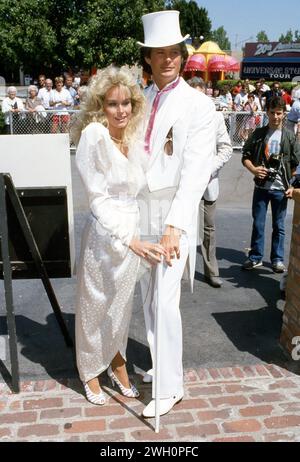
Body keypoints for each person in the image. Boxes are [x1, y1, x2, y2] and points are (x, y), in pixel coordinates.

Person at [72, 66, 166, 406]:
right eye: (112, 104)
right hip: (105, 235)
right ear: (101, 106)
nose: (121, 110)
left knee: (121, 307)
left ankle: (115, 359)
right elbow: (96, 199)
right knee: (94, 306)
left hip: (133, 231)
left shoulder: (133, 135)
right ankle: (89, 369)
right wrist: (130, 240)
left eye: (126, 102)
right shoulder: (94, 135)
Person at [137, 10, 215, 417]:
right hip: (142, 210)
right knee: (149, 297)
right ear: (148, 58)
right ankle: (159, 363)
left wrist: (174, 226)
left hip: (173, 214)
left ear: (182, 56)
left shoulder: (197, 104)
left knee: (166, 299)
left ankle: (171, 387)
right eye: (159, 52)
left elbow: (196, 171)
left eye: (174, 52)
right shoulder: (142, 98)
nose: (168, 59)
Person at [242, 96, 300, 272]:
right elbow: (246, 156)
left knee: (279, 225)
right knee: (258, 223)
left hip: (280, 189)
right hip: (261, 187)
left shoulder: (289, 137)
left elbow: (295, 164)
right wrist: (254, 170)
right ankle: (255, 257)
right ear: (267, 112)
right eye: (272, 113)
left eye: (279, 113)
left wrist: (291, 185)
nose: (275, 116)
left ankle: (277, 259)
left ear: (284, 114)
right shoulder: (259, 134)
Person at [187, 79, 233, 288]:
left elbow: (226, 148)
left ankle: (211, 271)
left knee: (208, 229)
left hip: (207, 184)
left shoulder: (215, 118)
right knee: (181, 228)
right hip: (184, 184)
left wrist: (207, 170)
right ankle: (180, 271)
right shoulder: (181, 116)